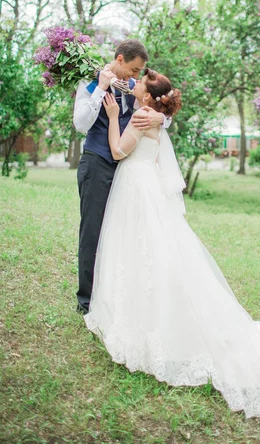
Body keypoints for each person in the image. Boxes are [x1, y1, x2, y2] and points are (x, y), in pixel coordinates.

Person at [84, 69, 260, 420]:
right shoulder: (156, 115)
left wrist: (116, 117)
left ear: (148, 98)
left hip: (136, 186)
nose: (134, 86)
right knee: (151, 252)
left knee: (142, 250)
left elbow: (118, 152)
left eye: (140, 85)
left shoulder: (144, 115)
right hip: (144, 184)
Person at [73, 39, 171, 314]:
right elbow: (80, 124)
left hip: (127, 171)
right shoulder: (90, 83)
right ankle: (86, 301)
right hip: (98, 163)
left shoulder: (134, 87)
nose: (136, 76)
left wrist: (160, 120)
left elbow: (162, 109)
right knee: (92, 232)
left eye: (140, 72)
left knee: (120, 233)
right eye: (134, 69)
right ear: (119, 60)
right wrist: (101, 89)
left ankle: (114, 293)